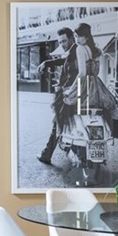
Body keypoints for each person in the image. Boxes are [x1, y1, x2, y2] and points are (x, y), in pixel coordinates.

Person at [74, 22, 118, 139]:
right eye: (76, 36)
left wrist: (72, 88)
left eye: (80, 36)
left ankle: (80, 138)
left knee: (74, 110)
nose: (77, 39)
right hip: (97, 84)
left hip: (84, 85)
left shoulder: (80, 49)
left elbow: (82, 73)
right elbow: (97, 71)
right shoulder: (95, 50)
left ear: (87, 37)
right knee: (101, 111)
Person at [37, 28, 84, 165]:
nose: (62, 44)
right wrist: (47, 62)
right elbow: (63, 61)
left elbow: (77, 74)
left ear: (71, 38)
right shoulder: (73, 51)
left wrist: (67, 90)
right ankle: (65, 153)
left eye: (64, 41)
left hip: (71, 94)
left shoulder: (76, 50)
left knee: (58, 123)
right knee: (65, 123)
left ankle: (47, 154)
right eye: (59, 42)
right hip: (74, 93)